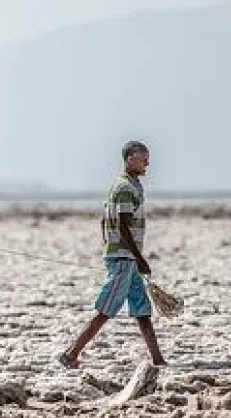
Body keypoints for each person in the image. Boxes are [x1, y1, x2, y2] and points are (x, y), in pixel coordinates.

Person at [58, 141, 166, 368]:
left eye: (148, 158)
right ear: (129, 159)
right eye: (143, 158)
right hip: (124, 258)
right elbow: (121, 225)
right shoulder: (124, 188)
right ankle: (71, 354)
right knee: (106, 308)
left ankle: (158, 359)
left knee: (142, 309)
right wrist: (138, 257)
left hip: (127, 257)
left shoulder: (132, 184)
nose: (147, 162)